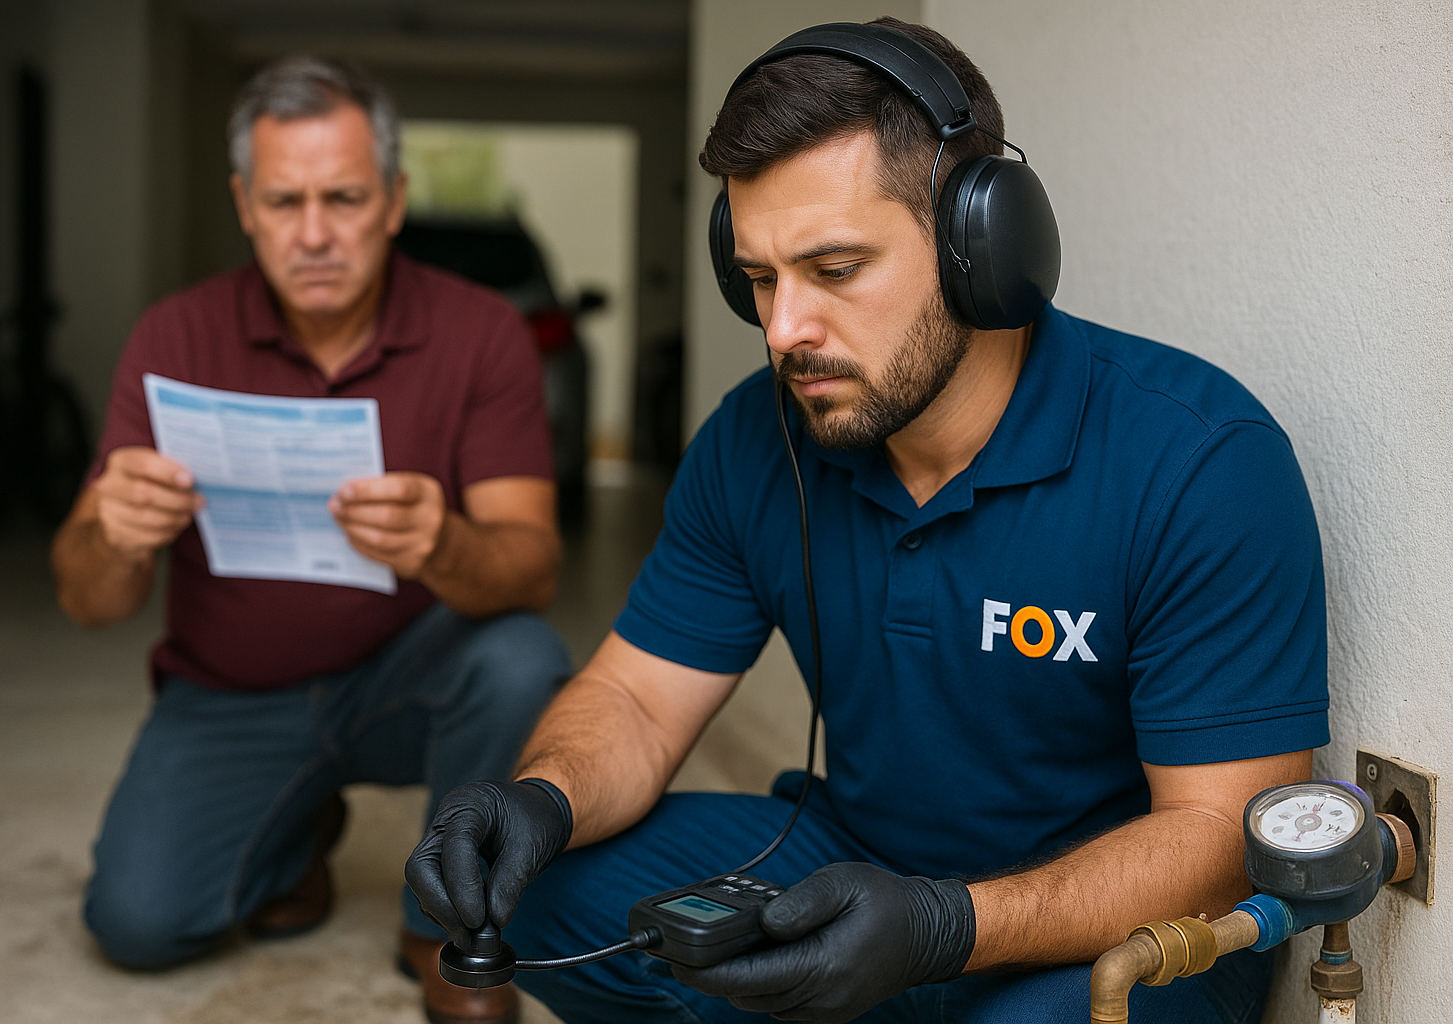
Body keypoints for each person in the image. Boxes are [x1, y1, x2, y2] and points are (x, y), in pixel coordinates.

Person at [405, 18, 1330, 1024]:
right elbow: (634, 699)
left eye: (835, 269)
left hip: (1097, 928)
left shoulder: (1197, 460)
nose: (783, 330)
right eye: (758, 278)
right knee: (544, 889)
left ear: (981, 245)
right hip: (855, 864)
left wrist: (944, 928)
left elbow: (1215, 836)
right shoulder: (756, 440)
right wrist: (540, 798)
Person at [50, 56, 570, 1023]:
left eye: (344, 198)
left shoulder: (481, 333)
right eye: (285, 203)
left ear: (395, 199)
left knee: (520, 658)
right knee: (136, 924)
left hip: (406, 676)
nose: (316, 234)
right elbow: (89, 603)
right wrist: (114, 537)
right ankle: (298, 827)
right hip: (231, 693)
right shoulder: (174, 335)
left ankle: (447, 923)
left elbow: (533, 568)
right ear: (244, 205)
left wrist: (442, 544)